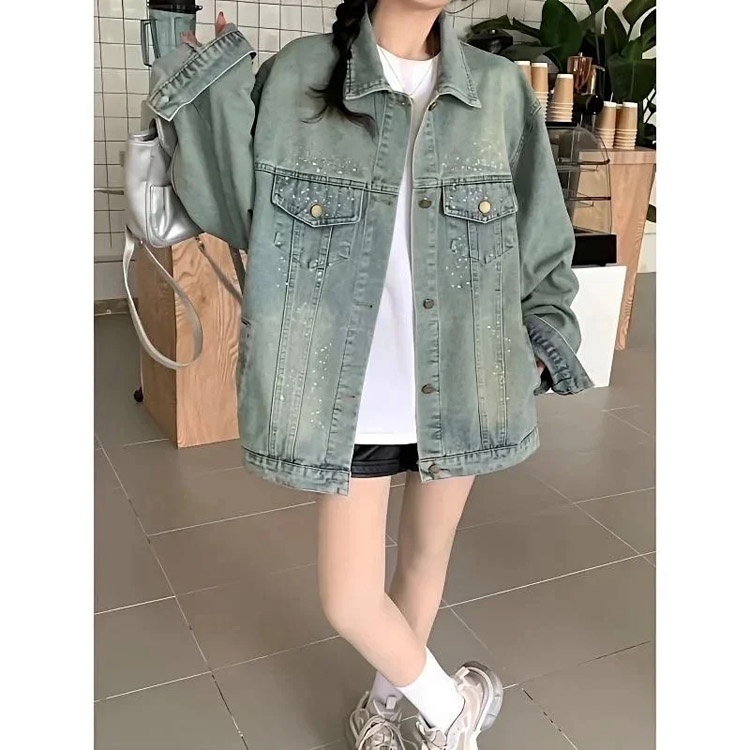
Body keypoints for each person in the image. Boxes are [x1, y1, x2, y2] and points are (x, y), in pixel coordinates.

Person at [148, 1, 592, 747]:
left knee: (425, 558)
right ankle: (454, 708)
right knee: (349, 597)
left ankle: (382, 710)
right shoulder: (302, 74)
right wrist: (202, 79)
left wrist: (546, 345)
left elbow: (540, 233)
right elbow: (235, 205)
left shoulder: (496, 89)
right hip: (347, 388)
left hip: (466, 378)